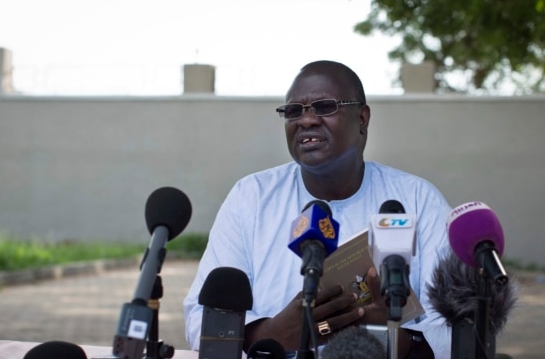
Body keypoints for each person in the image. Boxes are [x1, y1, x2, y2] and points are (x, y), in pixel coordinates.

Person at [183, 60, 452, 358]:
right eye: (294, 111)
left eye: (324, 107)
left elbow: (457, 328)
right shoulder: (252, 197)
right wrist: (271, 334)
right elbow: (201, 316)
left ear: (362, 118)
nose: (306, 120)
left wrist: (391, 338)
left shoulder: (417, 199)